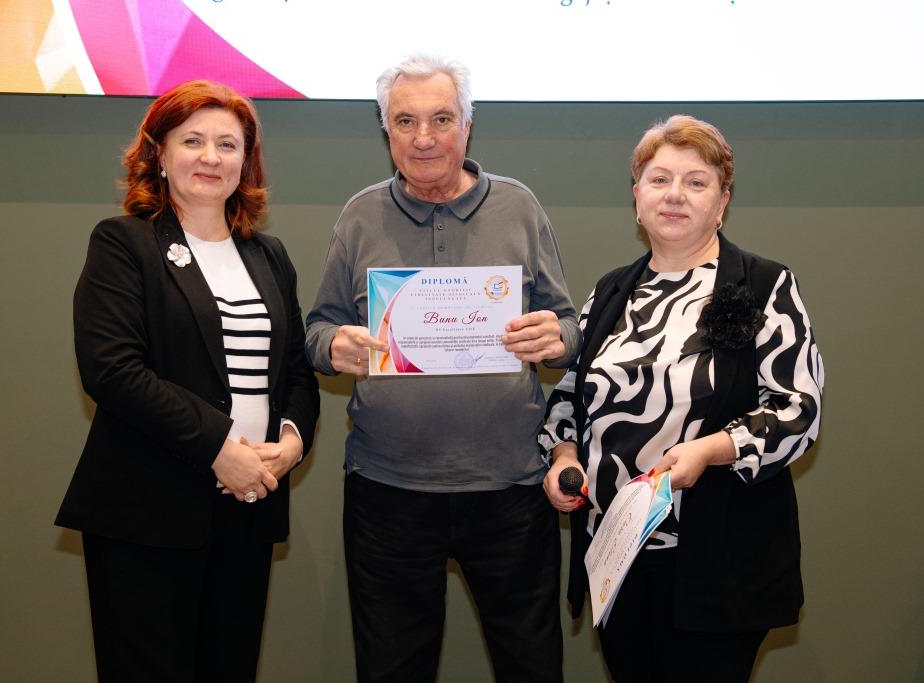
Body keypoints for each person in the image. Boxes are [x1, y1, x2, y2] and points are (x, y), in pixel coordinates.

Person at [305, 55, 580, 683]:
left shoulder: (518, 206)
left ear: (468, 126)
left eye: (441, 119)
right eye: (405, 121)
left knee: (532, 667)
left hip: (511, 488)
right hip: (387, 491)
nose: (424, 137)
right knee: (391, 670)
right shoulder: (360, 215)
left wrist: (555, 337)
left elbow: (568, 326)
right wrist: (333, 347)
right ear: (387, 131)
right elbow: (318, 329)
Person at [539, 115, 824, 682]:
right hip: (618, 556)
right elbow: (570, 396)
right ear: (637, 197)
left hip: (717, 561)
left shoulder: (764, 284)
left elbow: (798, 409)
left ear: (722, 202)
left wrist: (710, 450)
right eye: (659, 179)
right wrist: (562, 459)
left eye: (696, 182)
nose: (675, 195)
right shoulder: (611, 289)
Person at [55, 80, 319, 682]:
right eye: (192, 140)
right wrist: (220, 447)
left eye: (228, 144)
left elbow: (296, 371)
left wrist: (292, 442)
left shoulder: (269, 255)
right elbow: (112, 368)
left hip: (249, 507)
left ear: (245, 161)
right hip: (148, 511)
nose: (210, 157)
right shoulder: (124, 243)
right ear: (159, 153)